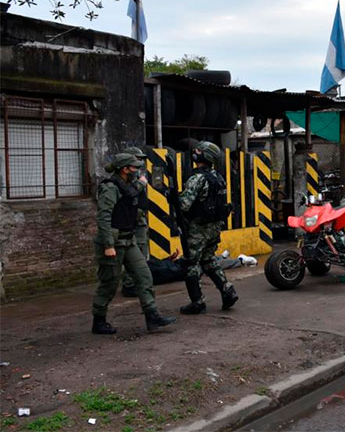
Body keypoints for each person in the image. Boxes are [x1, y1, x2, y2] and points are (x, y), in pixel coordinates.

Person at [91, 153, 176, 334]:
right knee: (109, 284)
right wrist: (108, 245)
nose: (138, 170)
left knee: (144, 276)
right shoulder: (110, 188)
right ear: (125, 169)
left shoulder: (130, 186)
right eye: (135, 167)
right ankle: (99, 319)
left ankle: (152, 316)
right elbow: (103, 218)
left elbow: (133, 200)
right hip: (114, 242)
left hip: (129, 240)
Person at [178, 141, 239, 315]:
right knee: (208, 260)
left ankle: (197, 302)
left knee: (190, 263)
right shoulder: (217, 177)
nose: (195, 152)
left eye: (199, 151)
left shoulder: (197, 178)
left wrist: (174, 197)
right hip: (214, 227)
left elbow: (184, 205)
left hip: (199, 228)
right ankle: (228, 290)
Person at [120, 147, 149, 298]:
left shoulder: (138, 176)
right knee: (130, 253)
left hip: (139, 219)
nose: (140, 162)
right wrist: (140, 184)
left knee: (141, 251)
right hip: (128, 221)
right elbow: (127, 195)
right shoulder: (124, 179)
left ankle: (137, 283)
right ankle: (129, 284)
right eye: (137, 159)